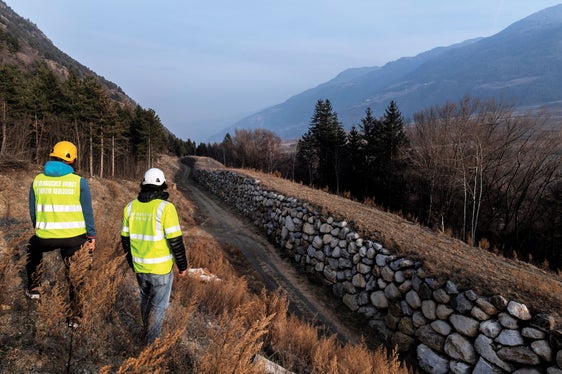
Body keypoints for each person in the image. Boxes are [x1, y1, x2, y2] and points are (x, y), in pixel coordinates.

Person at [26, 140, 96, 326]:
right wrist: (91, 237)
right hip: (74, 239)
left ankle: (33, 287)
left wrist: (40, 228)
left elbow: (33, 211)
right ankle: (75, 315)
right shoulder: (79, 181)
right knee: (75, 274)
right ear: (72, 160)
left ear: (52, 156)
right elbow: (87, 211)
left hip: (45, 237)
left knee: (32, 248)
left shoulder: (38, 180)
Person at [120, 167, 188, 344]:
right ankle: (151, 345)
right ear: (163, 186)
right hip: (161, 269)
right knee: (158, 307)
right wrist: (183, 266)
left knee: (145, 302)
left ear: (143, 184)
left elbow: (125, 240)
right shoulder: (166, 208)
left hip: (140, 267)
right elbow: (175, 241)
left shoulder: (129, 208)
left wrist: (131, 263)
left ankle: (146, 332)